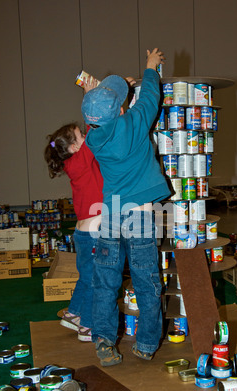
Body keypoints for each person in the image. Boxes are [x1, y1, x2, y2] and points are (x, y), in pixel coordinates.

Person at [81, 48, 171, 366]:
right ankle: (146, 343)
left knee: (106, 279)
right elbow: (151, 97)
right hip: (140, 213)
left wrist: (106, 93)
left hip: (112, 211)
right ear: (122, 108)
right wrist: (150, 67)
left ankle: (104, 339)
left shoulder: (94, 138)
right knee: (146, 280)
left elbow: (101, 115)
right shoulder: (135, 123)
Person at [44, 76, 103, 342]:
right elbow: (94, 130)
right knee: (95, 279)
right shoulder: (80, 161)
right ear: (74, 147)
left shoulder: (74, 164)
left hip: (82, 232)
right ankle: (87, 327)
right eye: (79, 135)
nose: (84, 134)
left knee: (86, 275)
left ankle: (75, 312)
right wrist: (89, 96)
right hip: (92, 231)